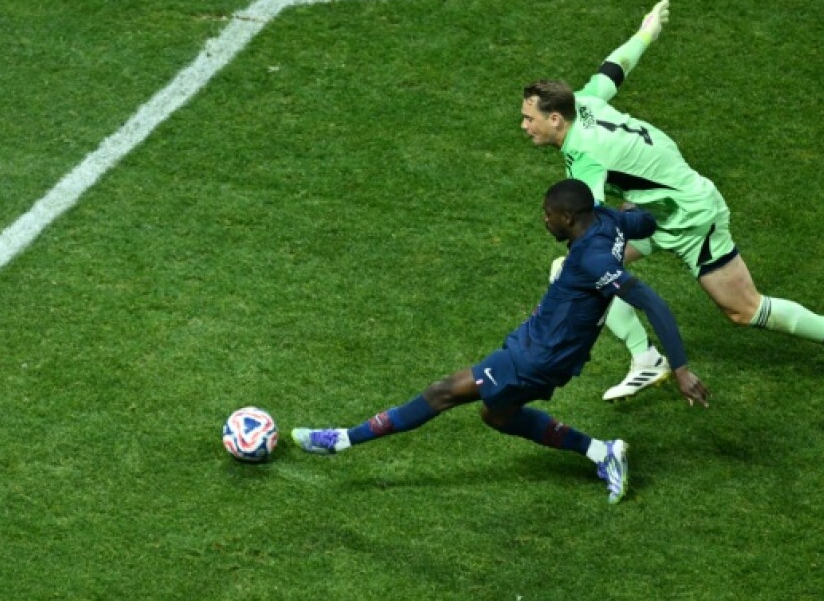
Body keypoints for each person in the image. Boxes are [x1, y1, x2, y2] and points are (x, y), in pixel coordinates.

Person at [521, 0, 824, 400]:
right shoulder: (584, 102)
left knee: (744, 309)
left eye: (529, 118)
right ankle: (646, 359)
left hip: (691, 216)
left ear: (555, 119)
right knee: (573, 267)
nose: (524, 125)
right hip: (658, 209)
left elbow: (592, 224)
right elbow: (613, 68)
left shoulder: (585, 156)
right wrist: (647, 32)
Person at [292, 179, 710, 505]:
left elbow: (652, 302)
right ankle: (603, 452)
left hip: (536, 357)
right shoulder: (607, 220)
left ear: (567, 218)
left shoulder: (593, 257)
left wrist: (681, 368)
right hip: (549, 348)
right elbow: (647, 222)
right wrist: (662, 207)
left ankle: (342, 439)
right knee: (497, 415)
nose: (543, 221)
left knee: (442, 393)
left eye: (547, 215)